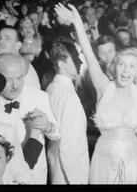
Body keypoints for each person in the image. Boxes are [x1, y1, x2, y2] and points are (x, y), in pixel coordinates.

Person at [54, 0, 137, 184]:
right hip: (103, 161)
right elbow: (89, 52)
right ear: (114, 66)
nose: (126, 70)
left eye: (131, 66)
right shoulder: (103, 86)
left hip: (134, 160)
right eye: (121, 64)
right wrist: (77, 21)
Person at [0, 53, 60, 184]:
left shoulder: (40, 97)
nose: (15, 86)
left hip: (35, 177)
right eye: (8, 80)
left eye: (19, 78)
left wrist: (48, 126)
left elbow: (57, 135)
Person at [46, 40, 90, 184]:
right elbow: (72, 145)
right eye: (75, 58)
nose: (81, 63)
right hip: (69, 171)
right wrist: (78, 179)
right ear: (60, 63)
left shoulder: (52, 86)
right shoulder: (68, 97)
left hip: (56, 161)